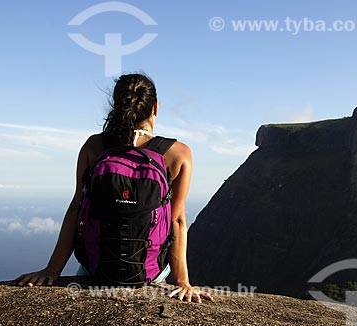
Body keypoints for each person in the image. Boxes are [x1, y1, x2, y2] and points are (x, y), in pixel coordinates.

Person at [16, 73, 213, 304]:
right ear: (155, 108)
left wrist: (52, 271)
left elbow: (76, 208)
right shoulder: (179, 154)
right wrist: (183, 283)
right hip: (150, 276)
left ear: (116, 105)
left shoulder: (94, 146)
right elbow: (176, 220)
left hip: (97, 271)